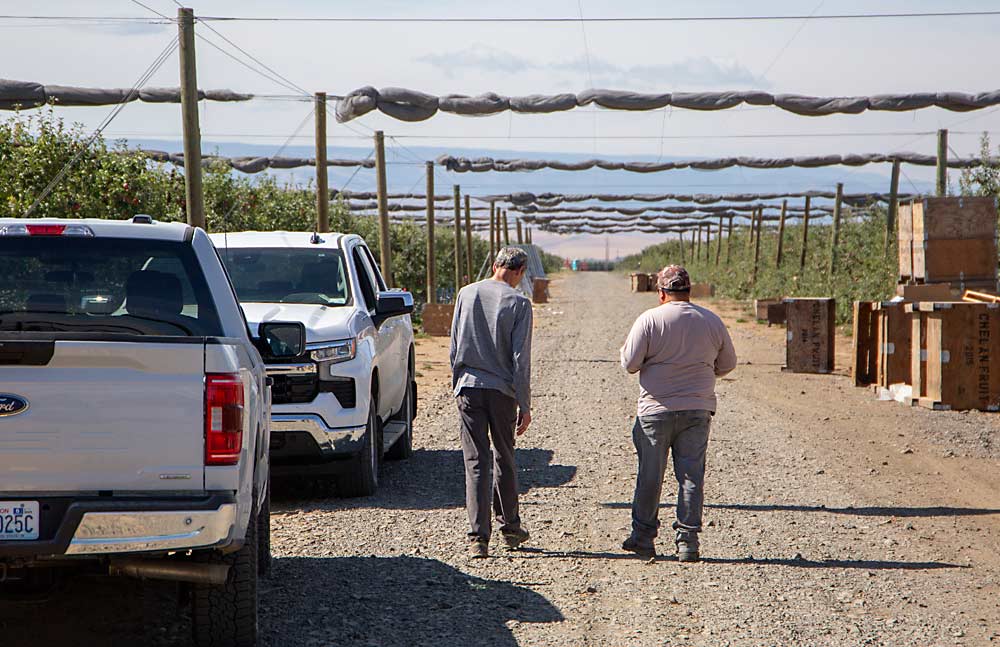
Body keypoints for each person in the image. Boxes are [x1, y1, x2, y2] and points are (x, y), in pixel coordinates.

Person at [619, 265, 737, 562]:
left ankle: (643, 538)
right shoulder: (711, 320)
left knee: (650, 475)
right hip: (698, 409)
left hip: (655, 411)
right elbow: (727, 364)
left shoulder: (649, 319)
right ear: (689, 291)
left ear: (661, 293)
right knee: (691, 476)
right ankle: (688, 542)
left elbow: (630, 364)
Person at [450, 247, 534, 559]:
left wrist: (457, 384)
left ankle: (478, 539)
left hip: (469, 388)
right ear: (520, 271)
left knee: (475, 462)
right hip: (502, 393)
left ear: (496, 264)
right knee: (504, 456)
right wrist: (524, 404)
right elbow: (520, 360)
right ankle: (510, 525)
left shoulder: (466, 294)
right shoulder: (519, 303)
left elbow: (454, 345)